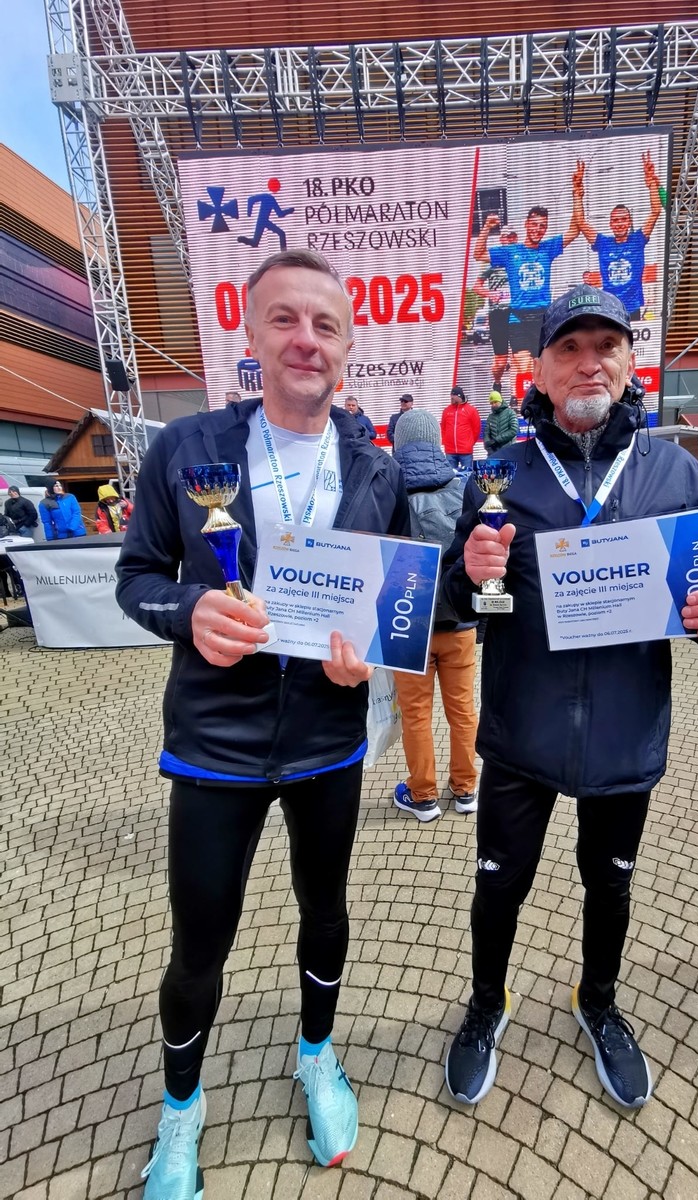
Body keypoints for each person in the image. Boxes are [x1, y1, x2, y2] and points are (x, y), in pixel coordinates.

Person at [116, 248, 409, 1197]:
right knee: (199, 944)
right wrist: (188, 611)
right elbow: (136, 578)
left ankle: (316, 1055)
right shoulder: (186, 447)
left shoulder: (376, 465)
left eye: (326, 325)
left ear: (349, 344)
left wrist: (370, 650)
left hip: (329, 740)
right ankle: (181, 1110)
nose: (305, 340)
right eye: (285, 319)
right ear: (250, 334)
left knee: (326, 913)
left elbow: (392, 597)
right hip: (217, 745)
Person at [440, 285, 698, 1111]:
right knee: (498, 885)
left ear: (628, 362)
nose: (589, 363)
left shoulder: (673, 471)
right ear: (540, 371)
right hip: (521, 733)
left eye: (605, 346)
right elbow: (465, 604)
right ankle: (487, 1003)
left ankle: (600, 1001)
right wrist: (470, 578)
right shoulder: (499, 475)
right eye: (569, 348)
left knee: (609, 885)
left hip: (624, 731)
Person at [390, 408, 479, 822]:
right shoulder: (463, 487)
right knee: (463, 710)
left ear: (398, 443)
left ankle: (422, 795)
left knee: (416, 714)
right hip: (458, 621)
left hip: (407, 625)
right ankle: (466, 789)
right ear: (437, 441)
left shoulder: (386, 491)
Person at [474, 201, 579, 399]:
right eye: (534, 224)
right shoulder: (511, 252)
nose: (538, 229)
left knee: (545, 371)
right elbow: (478, 254)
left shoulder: (548, 248)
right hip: (518, 319)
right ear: (526, 224)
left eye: (542, 226)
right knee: (525, 371)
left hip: (543, 319)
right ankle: (527, 408)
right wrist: (487, 227)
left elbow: (574, 230)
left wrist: (576, 194)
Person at [573, 152, 663, 320]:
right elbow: (580, 221)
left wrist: (651, 182)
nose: (619, 224)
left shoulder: (637, 240)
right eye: (615, 220)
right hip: (609, 307)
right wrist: (577, 192)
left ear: (629, 222)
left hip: (632, 307)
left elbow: (656, 211)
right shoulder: (603, 243)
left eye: (623, 220)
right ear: (610, 224)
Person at [472, 225, 517, 391]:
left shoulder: (521, 259)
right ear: (501, 239)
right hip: (498, 313)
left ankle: (515, 394)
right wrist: (490, 294)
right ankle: (497, 382)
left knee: (518, 356)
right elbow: (476, 286)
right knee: (501, 361)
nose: (510, 240)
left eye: (513, 237)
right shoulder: (493, 262)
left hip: (517, 312)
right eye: (507, 237)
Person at [440, 386, 481, 471]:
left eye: (453, 397)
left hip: (465, 451)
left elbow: (476, 429)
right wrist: (446, 442)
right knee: (450, 476)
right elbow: (443, 428)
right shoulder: (447, 410)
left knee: (467, 474)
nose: (451, 399)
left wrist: (470, 443)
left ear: (459, 396)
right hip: (450, 451)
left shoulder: (471, 410)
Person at [482, 390, 519, 456]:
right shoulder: (490, 417)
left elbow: (513, 430)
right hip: (494, 452)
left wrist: (496, 440)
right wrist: (488, 447)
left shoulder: (510, 413)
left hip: (508, 451)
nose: (493, 405)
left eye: (495, 402)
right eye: (491, 403)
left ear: (500, 401)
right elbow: (486, 433)